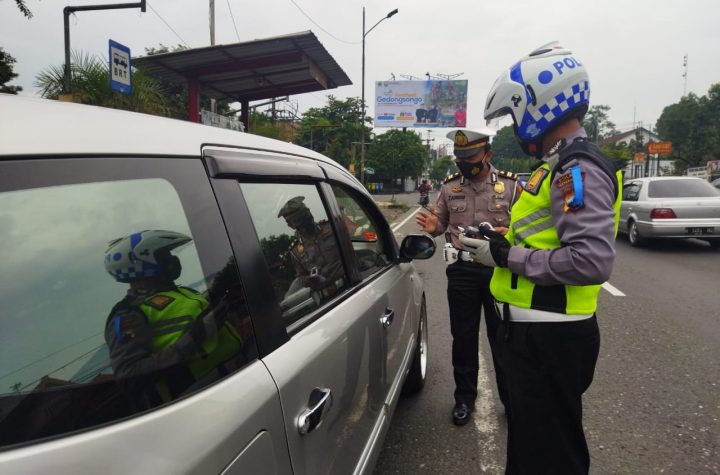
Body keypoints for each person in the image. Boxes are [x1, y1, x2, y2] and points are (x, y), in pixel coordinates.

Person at [459, 42, 623, 474]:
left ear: (539, 105)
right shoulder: (558, 166)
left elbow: (590, 262)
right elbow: (546, 237)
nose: (516, 127)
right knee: (535, 451)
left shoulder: (576, 168)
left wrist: (506, 257)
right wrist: (499, 239)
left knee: (549, 460)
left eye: (515, 115)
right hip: (537, 337)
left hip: (550, 339)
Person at [415, 128, 518, 426]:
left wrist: (509, 236)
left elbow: (525, 228)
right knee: (463, 337)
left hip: (499, 270)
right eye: (459, 157)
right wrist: (434, 226)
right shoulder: (449, 188)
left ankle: (510, 399)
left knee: (502, 337)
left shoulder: (511, 187)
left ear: (488, 154)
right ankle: (464, 398)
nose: (463, 162)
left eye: (469, 156)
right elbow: (440, 224)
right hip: (462, 270)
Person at [104, 230, 247, 409]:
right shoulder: (128, 314)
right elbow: (130, 376)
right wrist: (194, 339)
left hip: (238, 378)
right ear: (141, 263)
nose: (172, 260)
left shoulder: (182, 293)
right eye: (164, 255)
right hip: (205, 401)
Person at [278, 196, 345, 299]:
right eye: (298, 220)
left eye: (306, 216)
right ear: (291, 225)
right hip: (326, 300)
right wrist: (307, 280)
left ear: (309, 212)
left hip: (349, 285)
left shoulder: (332, 227)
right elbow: (300, 276)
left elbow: (350, 249)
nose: (306, 221)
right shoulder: (295, 251)